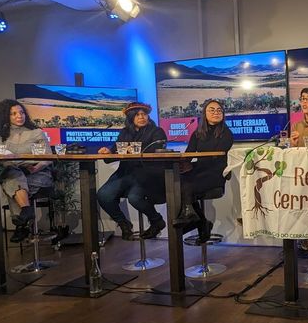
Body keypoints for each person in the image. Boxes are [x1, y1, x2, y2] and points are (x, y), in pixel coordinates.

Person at [97, 102, 168, 240]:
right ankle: (123, 223)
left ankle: (156, 221)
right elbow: (115, 151)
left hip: (147, 174)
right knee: (103, 195)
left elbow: (158, 152)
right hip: (125, 173)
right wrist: (108, 152)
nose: (142, 117)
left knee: (134, 198)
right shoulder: (124, 132)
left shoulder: (156, 131)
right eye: (137, 114)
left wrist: (135, 151)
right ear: (130, 117)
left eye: (144, 114)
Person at [0, 99, 53, 243]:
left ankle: (21, 224)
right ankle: (26, 211)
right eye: (13, 114)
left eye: (21, 112)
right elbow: (1, 159)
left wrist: (35, 167)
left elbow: (48, 157)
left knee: (11, 183)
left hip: (37, 173)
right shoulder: (1, 138)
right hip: (14, 171)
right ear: (6, 116)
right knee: (13, 175)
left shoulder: (37, 133)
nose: (19, 116)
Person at [172, 99, 234, 241]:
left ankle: (193, 218)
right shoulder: (197, 133)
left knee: (187, 184)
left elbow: (215, 154)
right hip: (200, 169)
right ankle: (200, 221)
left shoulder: (226, 133)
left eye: (219, 110)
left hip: (216, 172)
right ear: (204, 113)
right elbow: (189, 153)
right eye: (212, 110)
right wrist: (184, 163)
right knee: (179, 180)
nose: (216, 112)